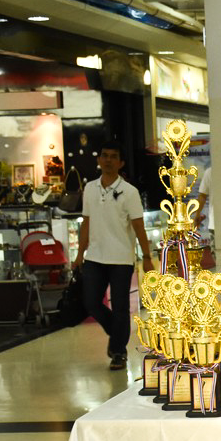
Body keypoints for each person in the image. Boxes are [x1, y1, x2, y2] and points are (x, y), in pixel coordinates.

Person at [73, 141, 154, 370]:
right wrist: (80, 254)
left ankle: (118, 352)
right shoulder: (90, 188)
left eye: (113, 156)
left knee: (120, 307)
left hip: (121, 258)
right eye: (104, 155)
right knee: (90, 303)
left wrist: (147, 257)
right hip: (94, 257)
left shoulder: (130, 192)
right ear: (99, 160)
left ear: (121, 163)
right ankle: (117, 334)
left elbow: (138, 226)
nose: (108, 160)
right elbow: (86, 223)